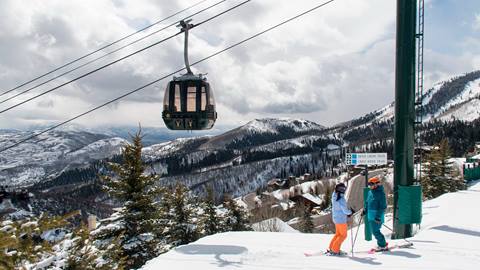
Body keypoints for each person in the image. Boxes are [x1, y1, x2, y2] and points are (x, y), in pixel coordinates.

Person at [328, 183, 352, 255]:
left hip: (336, 218)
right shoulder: (341, 199)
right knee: (343, 235)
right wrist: (350, 212)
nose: (343, 190)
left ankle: (332, 247)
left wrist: (347, 213)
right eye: (342, 189)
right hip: (341, 220)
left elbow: (340, 209)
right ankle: (335, 250)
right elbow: (345, 210)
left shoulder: (334, 196)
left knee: (338, 234)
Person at [366, 176, 388, 250]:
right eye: (369, 185)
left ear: (376, 184)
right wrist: (365, 210)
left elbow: (383, 206)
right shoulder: (370, 192)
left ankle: (383, 245)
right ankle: (382, 243)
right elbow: (367, 202)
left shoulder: (381, 194)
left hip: (377, 216)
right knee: (374, 231)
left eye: (371, 184)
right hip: (370, 215)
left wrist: (378, 216)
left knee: (375, 232)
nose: (370, 186)